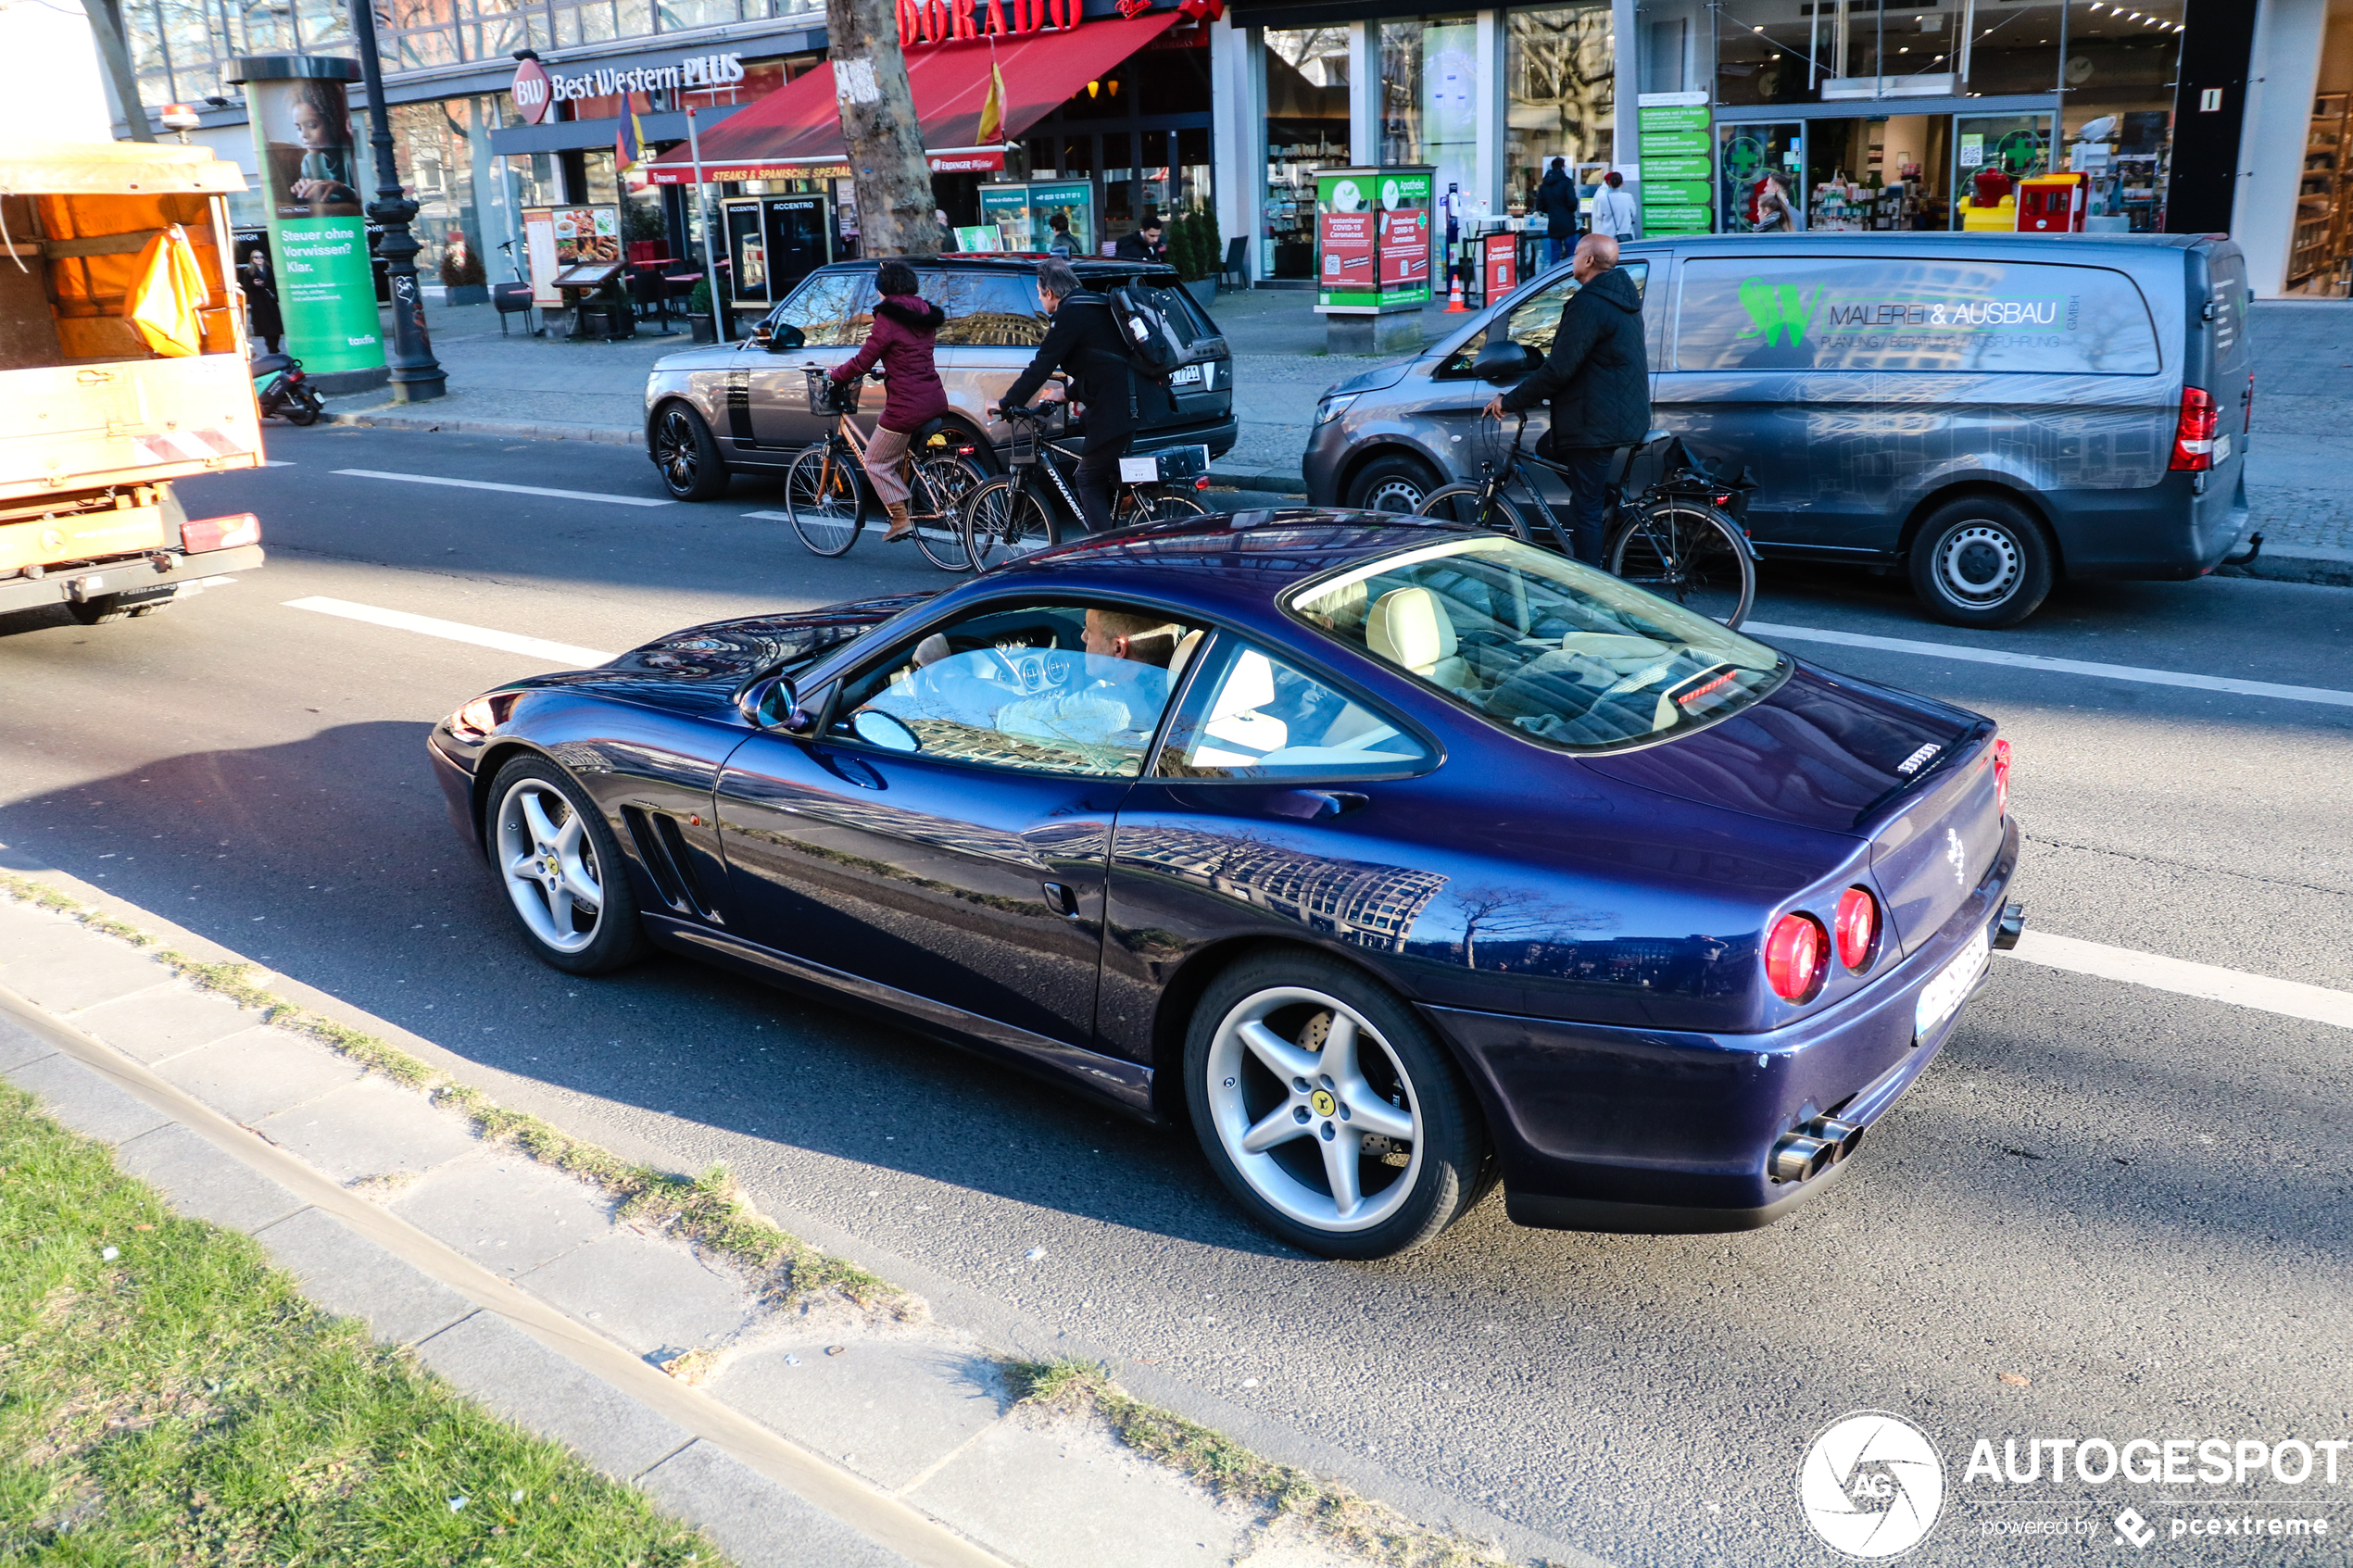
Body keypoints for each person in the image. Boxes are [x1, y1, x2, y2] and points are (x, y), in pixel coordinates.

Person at [1479, 233, 1648, 566]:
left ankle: (1589, 591)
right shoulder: (1622, 298)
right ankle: (1609, 503)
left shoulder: (1589, 303)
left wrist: (1510, 401)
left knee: (1585, 509)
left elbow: (1559, 370)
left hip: (1596, 423)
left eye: (1575, 255)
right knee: (1548, 447)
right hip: (1620, 415)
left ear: (1588, 261)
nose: (1572, 260)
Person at [995, 259, 1138, 535]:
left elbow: (1043, 364)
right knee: (1097, 448)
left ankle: (1102, 553)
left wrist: (1006, 403)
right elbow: (1102, 361)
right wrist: (1066, 393)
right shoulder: (1096, 303)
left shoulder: (1070, 314)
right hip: (1132, 401)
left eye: (1038, 292)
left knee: (1087, 478)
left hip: (1116, 409)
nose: (1038, 298)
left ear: (1050, 293)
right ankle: (1125, 510)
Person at [830, 258, 948, 544]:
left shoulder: (889, 318)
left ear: (885, 289)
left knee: (875, 462)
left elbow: (863, 359)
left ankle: (900, 517)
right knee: (895, 456)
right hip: (933, 397)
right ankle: (911, 496)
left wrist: (837, 376)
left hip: (906, 406)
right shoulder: (924, 314)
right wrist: (889, 369)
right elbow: (912, 355)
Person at [1535, 157, 1579, 267]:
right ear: (1562, 167)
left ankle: (1554, 280)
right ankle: (1570, 277)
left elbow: (1540, 205)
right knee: (1570, 254)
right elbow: (1572, 202)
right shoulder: (1566, 182)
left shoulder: (1544, 185)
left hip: (1553, 222)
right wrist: (1570, 209)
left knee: (1555, 254)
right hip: (1567, 222)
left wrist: (1550, 210)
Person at [240, 244, 283, 355]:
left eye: (261, 257)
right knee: (266, 328)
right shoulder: (249, 271)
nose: (259, 259)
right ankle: (272, 349)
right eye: (256, 257)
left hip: (271, 301)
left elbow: (274, 284)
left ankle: (273, 346)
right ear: (252, 259)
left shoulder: (269, 269)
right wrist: (254, 284)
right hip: (259, 303)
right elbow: (246, 288)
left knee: (276, 328)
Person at [1589, 170, 1638, 244]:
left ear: (1609, 183)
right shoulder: (1628, 197)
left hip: (1608, 237)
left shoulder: (1604, 199)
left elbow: (1599, 216)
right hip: (1625, 233)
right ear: (1622, 183)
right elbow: (1633, 214)